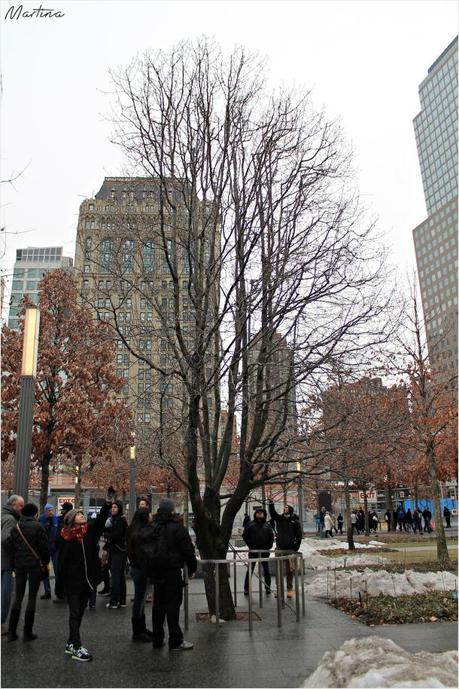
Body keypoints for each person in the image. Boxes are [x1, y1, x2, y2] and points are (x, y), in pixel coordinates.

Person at [136, 498, 197, 650]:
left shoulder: (152, 526)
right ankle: (175, 640)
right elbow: (188, 551)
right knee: (172, 606)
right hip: (172, 571)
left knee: (158, 606)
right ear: (171, 511)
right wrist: (192, 568)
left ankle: (157, 639)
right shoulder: (177, 528)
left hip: (156, 571)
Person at [55, 499, 111, 662]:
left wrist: (107, 504)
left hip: (88, 580)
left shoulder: (89, 533)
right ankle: (77, 648)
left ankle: (70, 643)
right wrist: (60, 586)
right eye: (78, 514)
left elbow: (100, 521)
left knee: (79, 612)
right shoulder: (65, 537)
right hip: (73, 580)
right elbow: (62, 563)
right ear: (72, 520)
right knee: (74, 613)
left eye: (81, 513)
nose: (81, 515)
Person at [7, 502, 50, 642]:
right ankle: (27, 632)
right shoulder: (38, 527)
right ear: (35, 513)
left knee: (18, 597)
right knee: (32, 597)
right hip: (34, 566)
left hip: (19, 565)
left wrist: (14, 563)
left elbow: (10, 547)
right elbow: (44, 548)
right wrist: (45, 561)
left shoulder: (16, 527)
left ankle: (12, 632)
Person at [126, 506, 154, 642]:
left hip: (137, 568)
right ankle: (138, 631)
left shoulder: (133, 530)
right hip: (142, 569)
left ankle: (141, 628)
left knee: (140, 599)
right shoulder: (142, 533)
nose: (151, 516)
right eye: (149, 514)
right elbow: (144, 553)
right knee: (140, 599)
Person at [268, 501, 302, 599]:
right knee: (278, 571)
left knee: (289, 570)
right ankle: (279, 590)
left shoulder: (295, 521)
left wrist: (295, 547)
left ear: (290, 510)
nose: (284, 508)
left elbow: (299, 535)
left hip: (290, 549)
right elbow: (273, 513)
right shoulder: (280, 519)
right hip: (280, 548)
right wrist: (271, 504)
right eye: (284, 507)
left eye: (286, 507)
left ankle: (290, 589)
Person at [1, 494, 25, 632]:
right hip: (5, 560)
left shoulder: (2, 515)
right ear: (12, 505)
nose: (21, 508)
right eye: (20, 505)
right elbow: (5, 539)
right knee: (5, 592)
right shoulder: (10, 519)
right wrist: (15, 551)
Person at [242, 508, 274, 595]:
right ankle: (246, 588)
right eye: (258, 513)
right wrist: (250, 545)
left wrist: (268, 546)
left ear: (264, 515)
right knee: (250, 570)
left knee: (266, 570)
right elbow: (245, 535)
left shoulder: (267, 525)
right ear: (255, 514)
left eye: (261, 513)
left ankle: (267, 587)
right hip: (253, 551)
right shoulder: (250, 524)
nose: (260, 515)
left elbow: (271, 536)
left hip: (264, 552)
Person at [103, 501, 128, 609]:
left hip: (117, 551)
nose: (113, 509)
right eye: (112, 507)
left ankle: (114, 601)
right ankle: (122, 601)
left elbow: (116, 535)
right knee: (120, 577)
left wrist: (106, 534)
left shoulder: (119, 520)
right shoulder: (118, 519)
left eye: (115, 507)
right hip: (120, 551)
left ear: (119, 509)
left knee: (116, 576)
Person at [53, 501, 74, 603]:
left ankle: (62, 593)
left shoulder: (64, 522)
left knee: (61, 572)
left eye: (63, 509)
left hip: (63, 551)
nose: (62, 510)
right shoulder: (71, 521)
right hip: (67, 551)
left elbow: (59, 537)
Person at [39, 503, 59, 600]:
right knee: (45, 571)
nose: (51, 512)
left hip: (55, 549)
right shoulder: (41, 519)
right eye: (49, 510)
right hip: (44, 549)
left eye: (52, 510)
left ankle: (58, 591)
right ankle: (47, 591)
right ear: (45, 511)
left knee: (56, 570)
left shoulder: (56, 519)